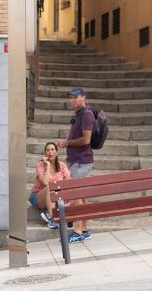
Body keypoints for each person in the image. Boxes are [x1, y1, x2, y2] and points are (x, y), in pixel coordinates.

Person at [56, 87, 93, 243]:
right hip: (76, 160)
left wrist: (67, 143)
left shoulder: (87, 114)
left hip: (81, 161)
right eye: (70, 97)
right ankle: (84, 229)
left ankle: (77, 231)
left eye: (75, 97)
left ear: (83, 97)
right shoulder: (78, 114)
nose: (72, 100)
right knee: (82, 196)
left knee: (77, 195)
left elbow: (86, 140)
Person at [30, 142, 70, 230]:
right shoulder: (40, 164)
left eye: (52, 149)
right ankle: (53, 219)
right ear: (45, 153)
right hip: (39, 196)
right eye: (48, 150)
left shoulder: (62, 165)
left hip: (56, 196)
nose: (50, 152)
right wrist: (48, 165)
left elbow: (68, 182)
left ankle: (50, 214)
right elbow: (45, 182)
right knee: (50, 187)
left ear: (56, 152)